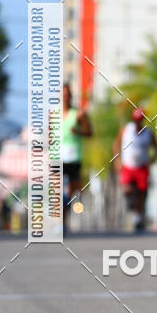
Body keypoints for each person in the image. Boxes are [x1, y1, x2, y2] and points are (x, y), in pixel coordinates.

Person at [113, 108, 157, 232]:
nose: (137, 123)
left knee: (141, 193)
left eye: (140, 120)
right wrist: (117, 160)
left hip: (142, 167)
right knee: (127, 189)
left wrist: (151, 161)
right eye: (136, 120)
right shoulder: (125, 130)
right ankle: (131, 203)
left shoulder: (148, 133)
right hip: (128, 166)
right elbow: (116, 144)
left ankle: (138, 218)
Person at [62, 83, 92, 229]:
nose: (65, 98)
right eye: (63, 95)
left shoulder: (79, 114)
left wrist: (78, 132)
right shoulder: (53, 115)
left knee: (69, 192)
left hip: (74, 158)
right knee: (58, 191)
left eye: (67, 95)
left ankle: (64, 220)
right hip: (58, 158)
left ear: (71, 96)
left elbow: (90, 132)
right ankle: (60, 221)